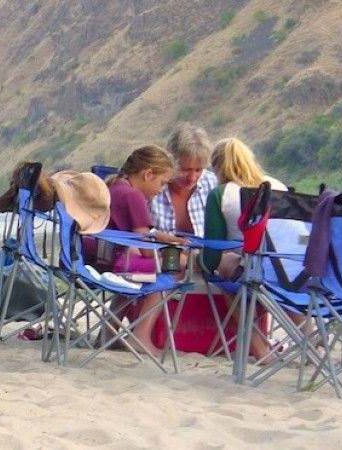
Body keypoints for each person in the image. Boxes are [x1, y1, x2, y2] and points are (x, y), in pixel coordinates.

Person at [203, 137, 289, 361]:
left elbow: (213, 251)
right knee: (279, 274)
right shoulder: (280, 186)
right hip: (291, 271)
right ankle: (311, 343)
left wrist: (199, 262)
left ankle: (260, 349)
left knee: (224, 267)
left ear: (218, 168)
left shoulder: (221, 194)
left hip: (253, 272)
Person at [104, 145, 189, 352]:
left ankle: (108, 330)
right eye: (161, 183)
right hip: (119, 263)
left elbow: (136, 233)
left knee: (136, 275)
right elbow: (144, 245)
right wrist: (164, 253)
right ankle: (141, 333)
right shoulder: (134, 196)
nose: (161, 190)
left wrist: (163, 238)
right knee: (177, 264)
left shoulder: (114, 187)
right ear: (147, 174)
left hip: (104, 258)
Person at [149, 124, 218, 238]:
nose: (192, 178)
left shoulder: (213, 184)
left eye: (198, 170)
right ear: (169, 160)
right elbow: (140, 231)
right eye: (185, 169)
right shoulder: (151, 186)